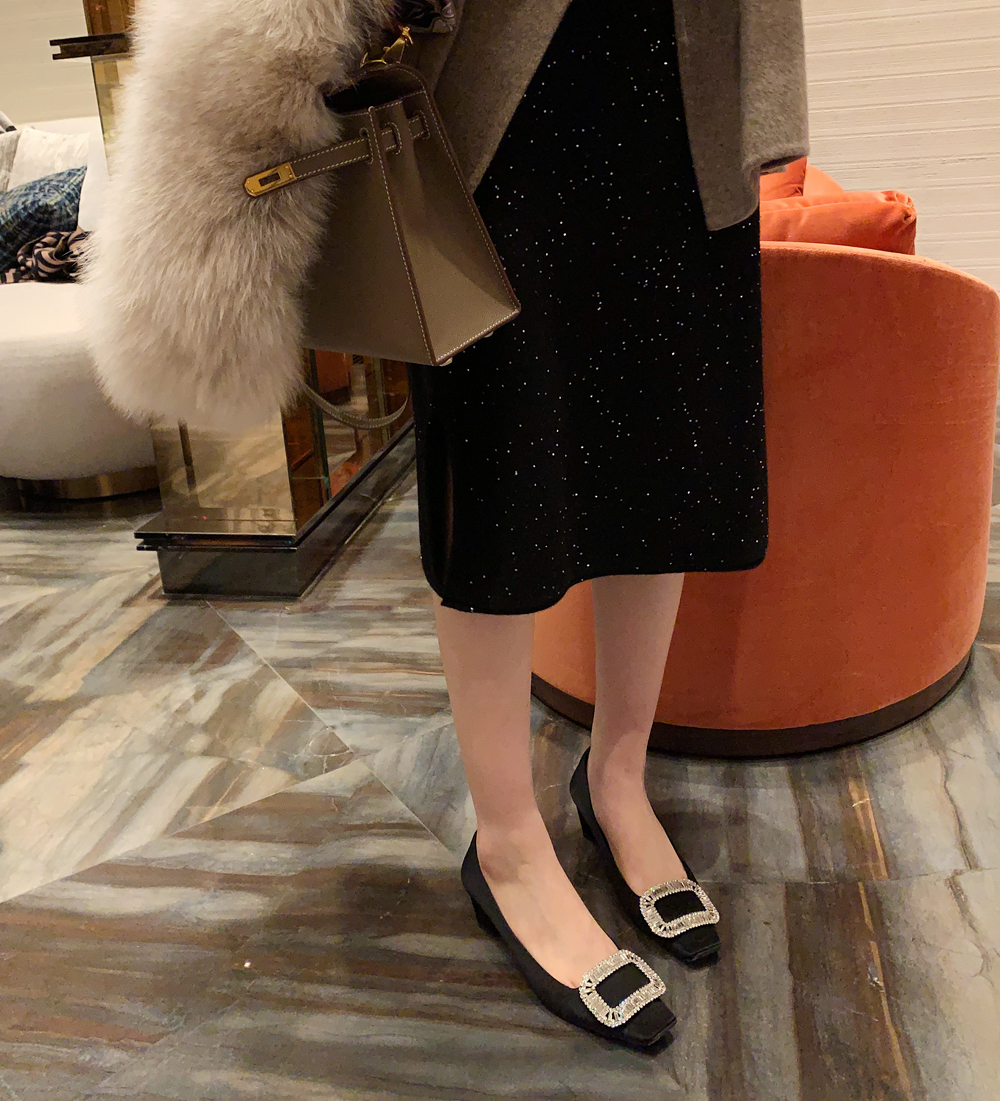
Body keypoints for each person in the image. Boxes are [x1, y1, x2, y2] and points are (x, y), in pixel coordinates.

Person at [86, 0, 807, 1052]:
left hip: (686, 81)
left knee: (663, 466)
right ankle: (507, 843)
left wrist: (770, 104)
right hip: (495, 104)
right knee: (501, 487)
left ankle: (617, 776)